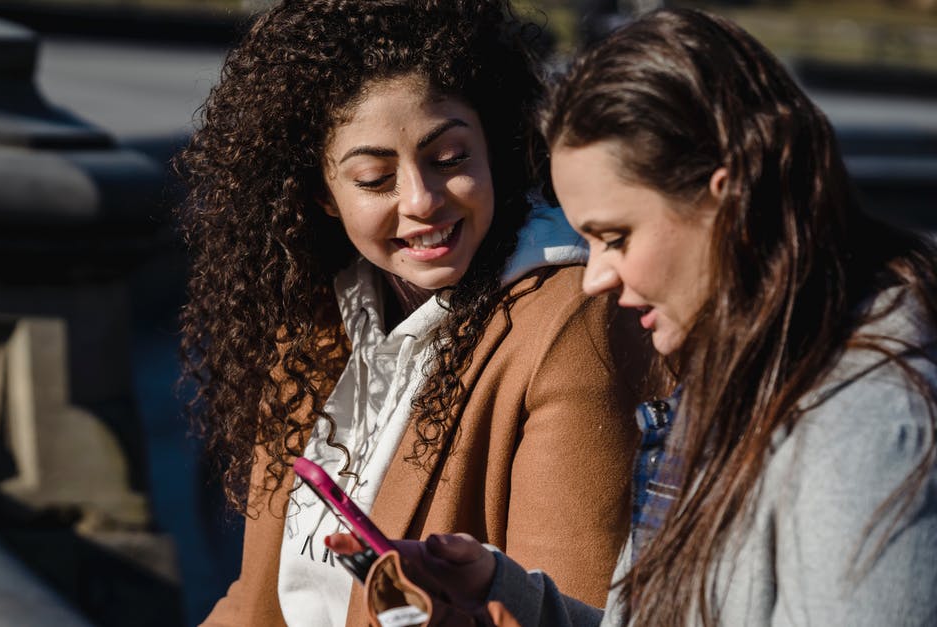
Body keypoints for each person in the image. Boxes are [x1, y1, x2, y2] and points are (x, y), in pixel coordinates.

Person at [348, 7, 937, 626]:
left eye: (618, 236)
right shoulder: (741, 368)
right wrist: (505, 598)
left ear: (729, 201)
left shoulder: (866, 426)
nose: (597, 275)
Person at [174, 0, 658, 624]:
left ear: (496, 143)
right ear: (322, 192)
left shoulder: (572, 323)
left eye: (451, 159)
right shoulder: (315, 321)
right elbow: (256, 602)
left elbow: (563, 610)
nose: (421, 200)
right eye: (375, 178)